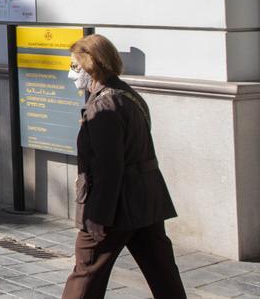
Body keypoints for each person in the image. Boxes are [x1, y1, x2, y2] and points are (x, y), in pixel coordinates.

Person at [61, 35, 185, 299]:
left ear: (90, 65)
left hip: (117, 205)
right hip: (146, 199)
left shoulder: (104, 105)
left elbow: (109, 166)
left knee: (87, 270)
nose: (71, 73)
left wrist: (97, 216)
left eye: (74, 66)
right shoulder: (127, 94)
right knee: (162, 271)